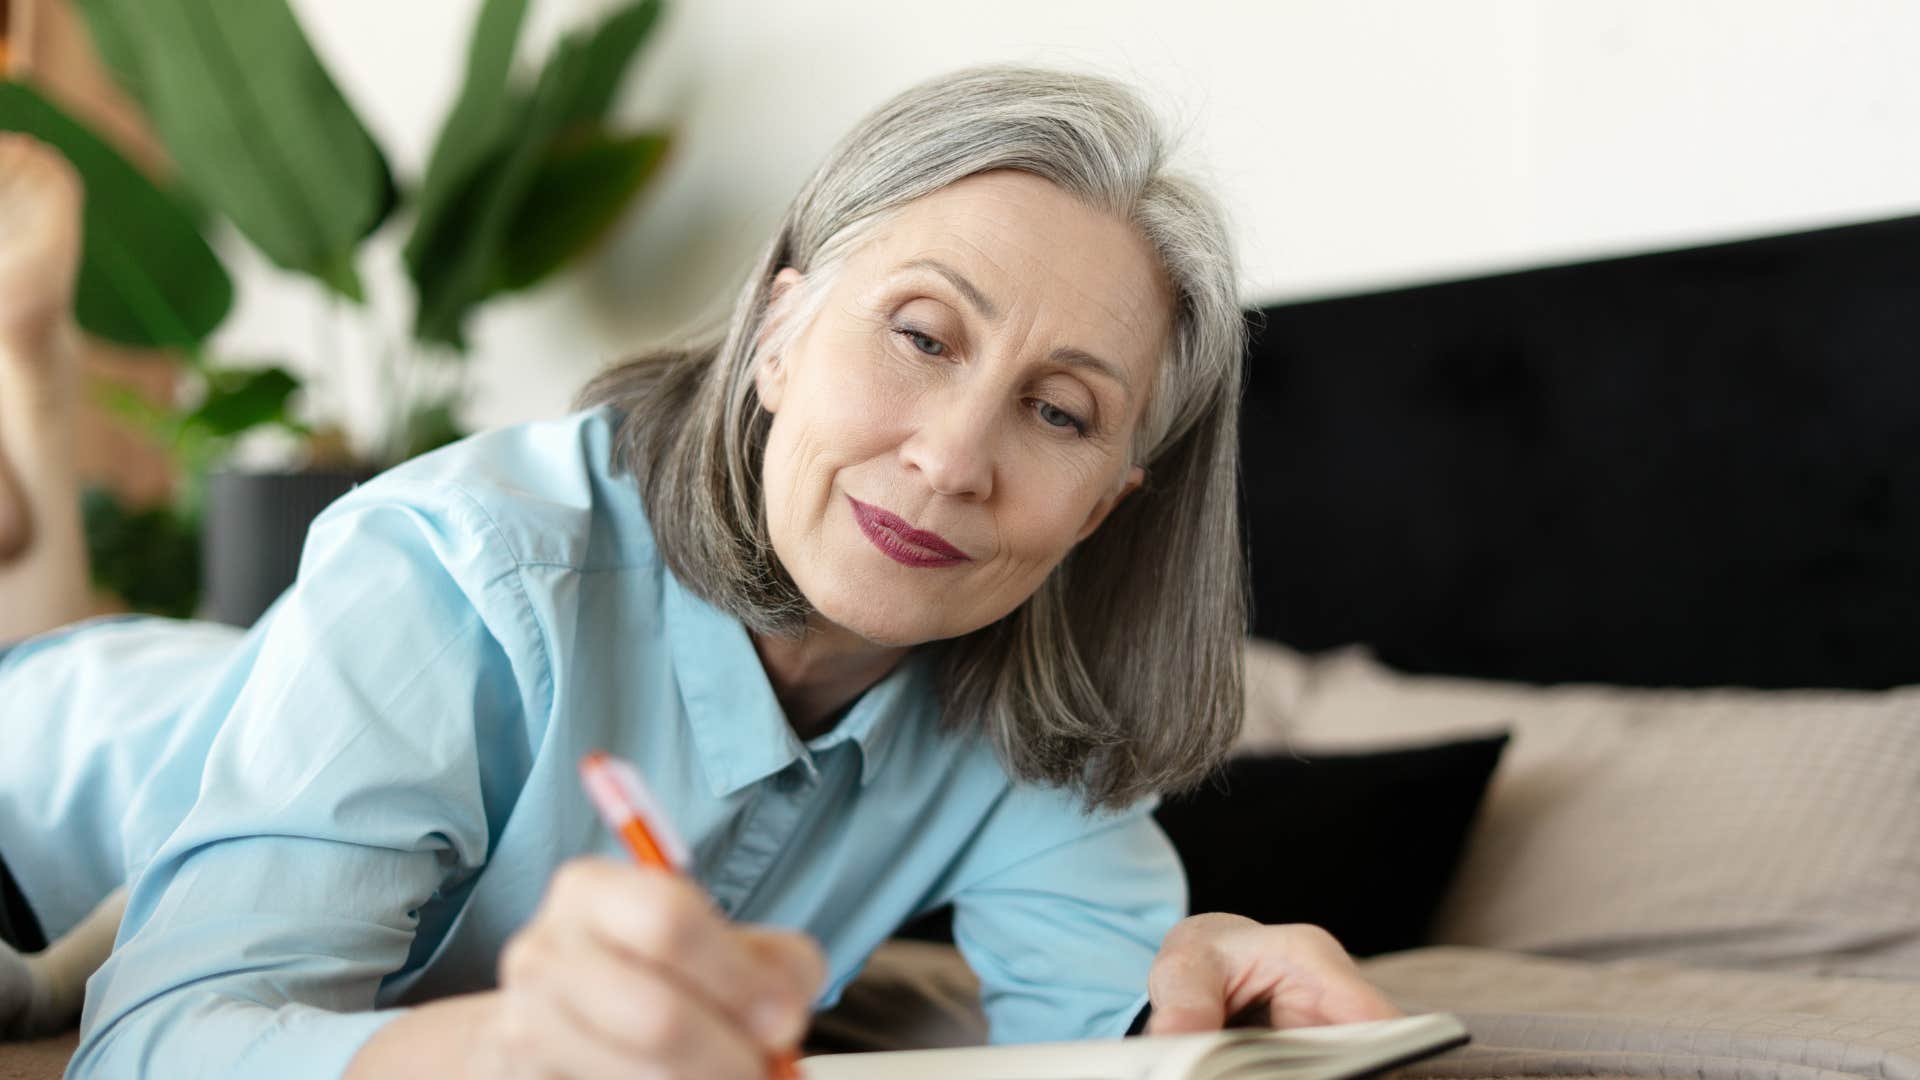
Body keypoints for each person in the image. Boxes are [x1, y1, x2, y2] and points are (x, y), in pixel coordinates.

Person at [0, 64, 1400, 1078]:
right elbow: (151, 1048)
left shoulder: (1027, 713)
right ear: (781, 333)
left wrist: (1207, 1013)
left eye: (1060, 412)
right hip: (44, 767)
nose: (952, 460)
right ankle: (31, 387)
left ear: (1105, 507)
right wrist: (502, 1056)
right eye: (921, 333)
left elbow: (1104, 1043)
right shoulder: (463, 569)